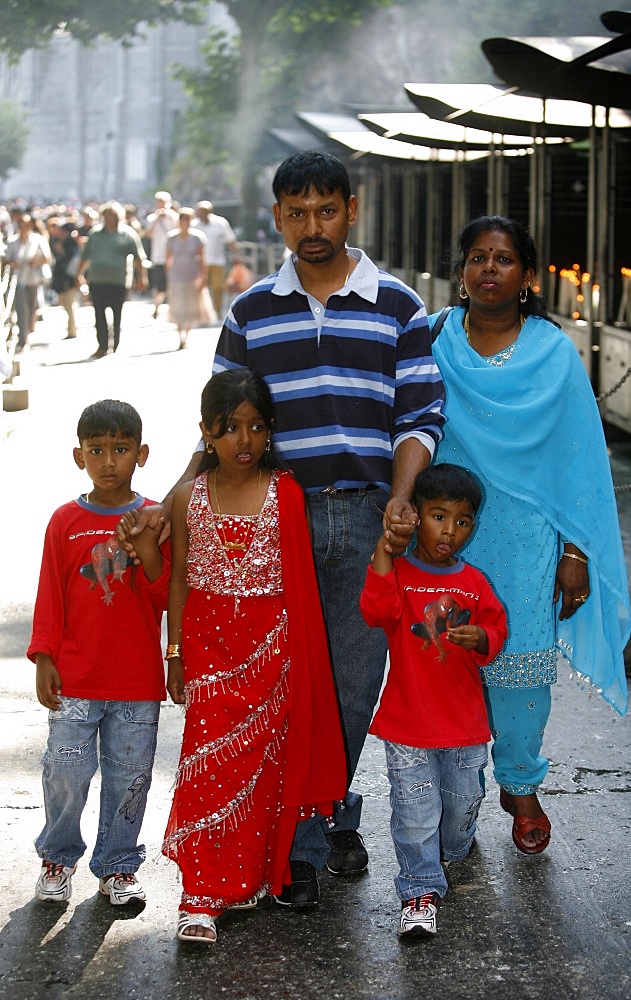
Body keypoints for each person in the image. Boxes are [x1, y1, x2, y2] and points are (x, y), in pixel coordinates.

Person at [123, 150, 445, 907]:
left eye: (326, 211)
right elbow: (219, 425)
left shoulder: (398, 304)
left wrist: (400, 503)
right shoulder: (251, 312)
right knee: (294, 681)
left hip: (370, 515)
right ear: (276, 219)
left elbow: (421, 415)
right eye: (296, 214)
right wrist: (164, 509)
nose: (312, 227)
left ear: (351, 210)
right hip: (282, 516)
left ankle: (329, 808)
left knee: (355, 684)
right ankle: (303, 840)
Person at [429, 215, 631, 854]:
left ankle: (520, 785)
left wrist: (576, 551)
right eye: (478, 257)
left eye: (504, 259)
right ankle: (451, 802)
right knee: (443, 666)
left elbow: (577, 460)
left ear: (527, 276)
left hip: (530, 541)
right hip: (446, 540)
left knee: (520, 678)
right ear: (461, 270)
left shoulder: (551, 351)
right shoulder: (435, 341)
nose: (490, 269)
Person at [158, 368, 347, 944]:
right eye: (229, 428)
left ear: (270, 431)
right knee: (208, 765)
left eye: (256, 427)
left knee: (265, 774)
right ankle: (201, 895)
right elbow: (179, 581)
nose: (243, 440)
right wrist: (175, 655)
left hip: (272, 652)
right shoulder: (190, 496)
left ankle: (253, 879)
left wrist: (301, 664)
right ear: (206, 434)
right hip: (209, 649)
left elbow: (300, 589)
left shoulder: (285, 491)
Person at [27, 399, 169, 906]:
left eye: (121, 448)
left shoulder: (154, 519)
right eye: (97, 450)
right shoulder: (64, 521)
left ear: (142, 453)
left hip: (136, 683)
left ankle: (118, 865)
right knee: (65, 772)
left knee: (129, 780)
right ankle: (56, 858)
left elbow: (164, 593)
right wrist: (44, 657)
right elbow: (51, 595)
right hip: (76, 681)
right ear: (78, 456)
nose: (109, 460)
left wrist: (148, 550)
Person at [360, 463, 507, 937]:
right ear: (416, 516)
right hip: (407, 722)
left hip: (464, 723)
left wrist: (481, 637)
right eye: (438, 516)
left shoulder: (475, 582)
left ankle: (455, 848)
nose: (449, 530)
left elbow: (497, 631)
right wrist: (385, 550)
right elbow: (375, 610)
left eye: (462, 521)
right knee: (414, 812)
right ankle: (419, 891)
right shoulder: (398, 572)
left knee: (463, 803)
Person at [77, 202, 148, 358]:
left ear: (118, 217)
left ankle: (115, 343)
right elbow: (85, 256)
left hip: (118, 281)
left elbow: (138, 258)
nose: (109, 219)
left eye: (112, 216)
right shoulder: (95, 234)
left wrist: (142, 277)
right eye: (106, 216)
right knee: (99, 314)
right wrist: (79, 274)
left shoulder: (127, 234)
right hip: (97, 280)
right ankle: (102, 345)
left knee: (117, 314)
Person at [4, 213, 52, 351]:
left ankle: (28, 331)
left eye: (26, 225)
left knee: (31, 308)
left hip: (33, 280)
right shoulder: (13, 241)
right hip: (17, 280)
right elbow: (6, 260)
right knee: (21, 309)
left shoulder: (38, 240)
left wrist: (34, 261)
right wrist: (13, 263)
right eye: (21, 225)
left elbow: (47, 258)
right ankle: (23, 339)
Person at [165, 207, 207, 349]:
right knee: (177, 305)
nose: (185, 222)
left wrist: (203, 277)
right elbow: (168, 259)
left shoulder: (197, 238)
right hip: (176, 275)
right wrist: (168, 276)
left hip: (192, 275)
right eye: (183, 219)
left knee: (191, 306)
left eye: (187, 220)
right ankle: (179, 334)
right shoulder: (171, 237)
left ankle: (186, 335)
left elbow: (202, 259)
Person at [193, 200, 239, 319]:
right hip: (199, 262)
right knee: (201, 288)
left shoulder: (220, 223)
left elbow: (230, 240)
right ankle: (201, 312)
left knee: (218, 287)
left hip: (218, 261)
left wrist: (237, 255)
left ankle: (217, 311)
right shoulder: (194, 225)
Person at [145, 191, 178, 319]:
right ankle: (157, 306)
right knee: (159, 284)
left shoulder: (174, 216)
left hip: (173, 256)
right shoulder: (152, 218)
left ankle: (172, 308)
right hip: (158, 255)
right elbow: (148, 234)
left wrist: (169, 218)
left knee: (173, 283)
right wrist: (157, 219)